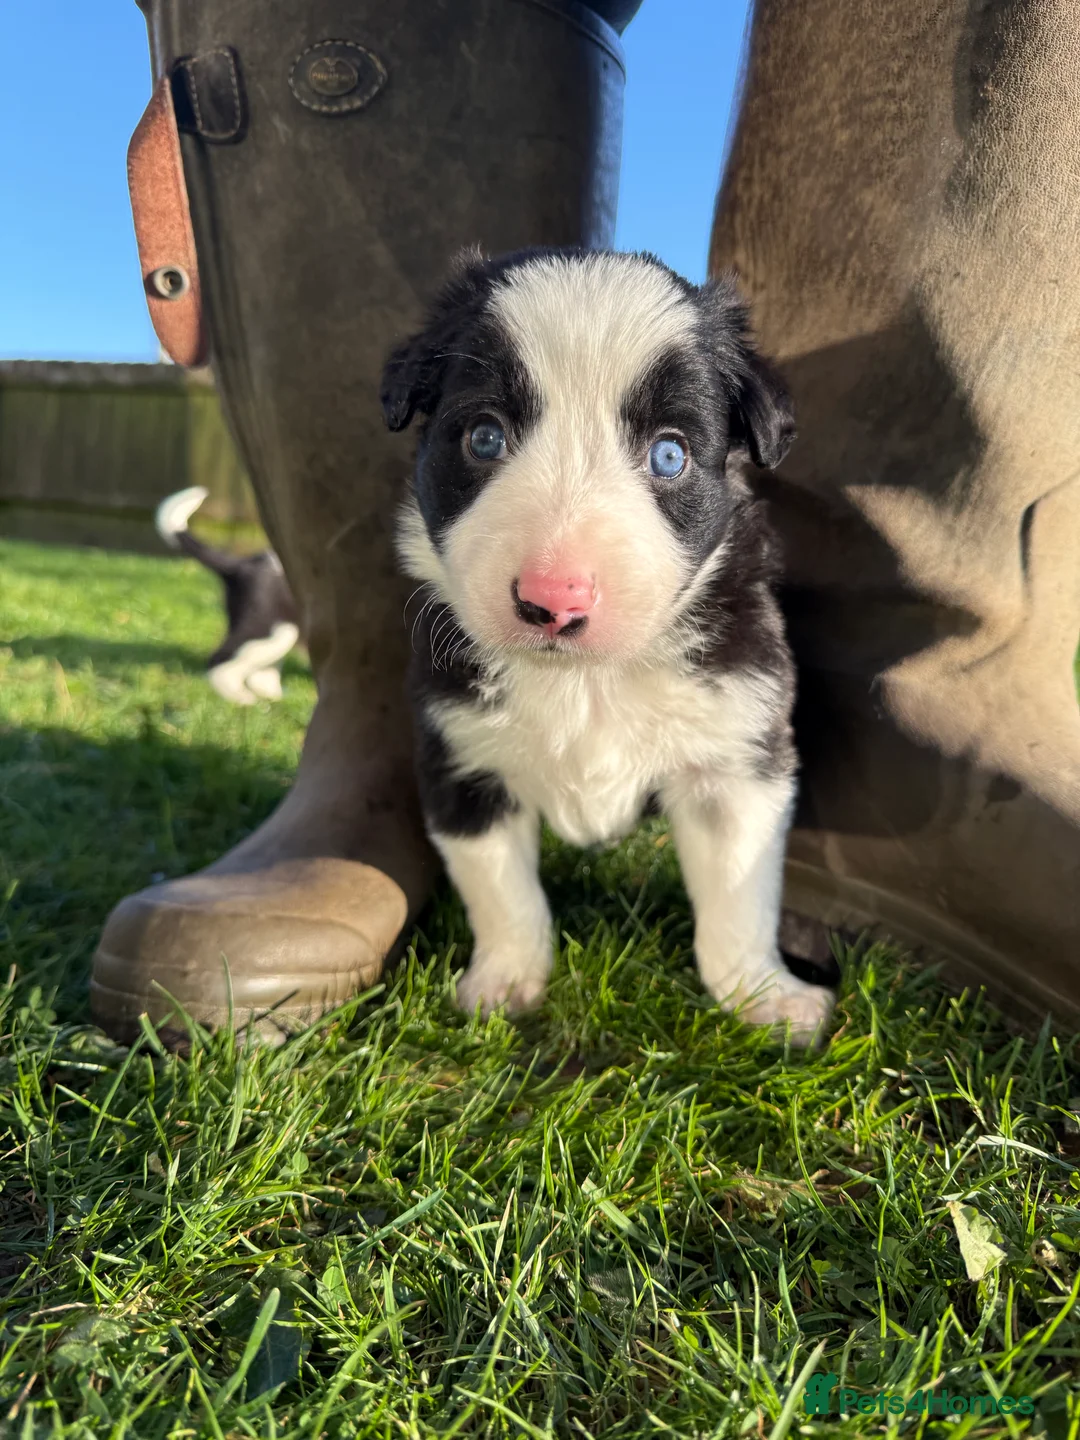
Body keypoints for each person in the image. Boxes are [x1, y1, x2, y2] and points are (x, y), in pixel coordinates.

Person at [92, 0, 1080, 1039]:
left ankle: (888, 781)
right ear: (423, 419)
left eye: (666, 455)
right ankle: (381, 782)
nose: (556, 578)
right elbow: (469, 781)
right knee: (468, 770)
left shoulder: (734, 655)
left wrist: (740, 967)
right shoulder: (451, 647)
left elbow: (735, 785)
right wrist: (509, 944)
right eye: (483, 436)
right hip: (477, 741)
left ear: (734, 453)